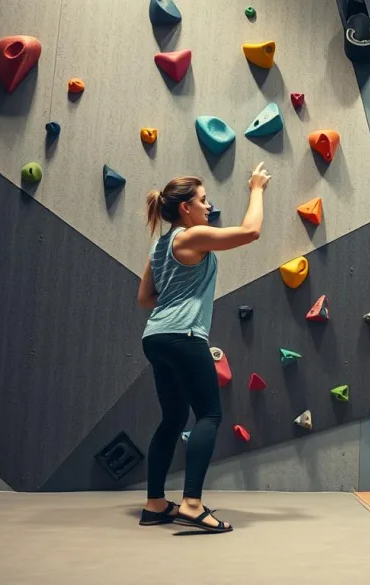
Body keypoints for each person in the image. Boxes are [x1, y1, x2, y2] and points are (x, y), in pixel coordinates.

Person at [135, 162, 271, 533]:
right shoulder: (188, 237)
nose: (208, 207)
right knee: (209, 415)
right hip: (184, 336)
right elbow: (251, 231)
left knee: (173, 419)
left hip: (156, 337)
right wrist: (256, 188)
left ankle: (155, 504)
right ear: (185, 208)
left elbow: (146, 298)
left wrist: (177, 294)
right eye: (203, 200)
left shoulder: (161, 245)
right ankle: (192, 504)